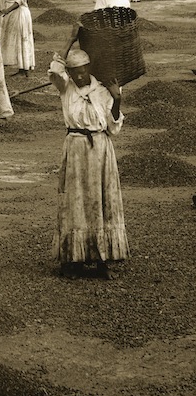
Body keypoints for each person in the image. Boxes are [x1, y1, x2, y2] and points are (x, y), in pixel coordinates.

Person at [49, 26, 129, 280]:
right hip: (74, 149)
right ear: (70, 73)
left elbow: (114, 128)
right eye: (75, 73)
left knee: (101, 202)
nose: (80, 77)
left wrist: (117, 100)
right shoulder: (66, 87)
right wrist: (71, 37)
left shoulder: (104, 91)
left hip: (100, 151)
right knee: (75, 202)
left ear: (89, 69)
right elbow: (54, 68)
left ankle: (102, 261)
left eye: (84, 72)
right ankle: (72, 261)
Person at [0, 0, 35, 78]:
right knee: (13, 39)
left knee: (22, 39)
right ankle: (19, 67)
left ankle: (25, 69)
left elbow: (21, 0)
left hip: (20, 13)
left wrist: (7, 10)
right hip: (12, 13)